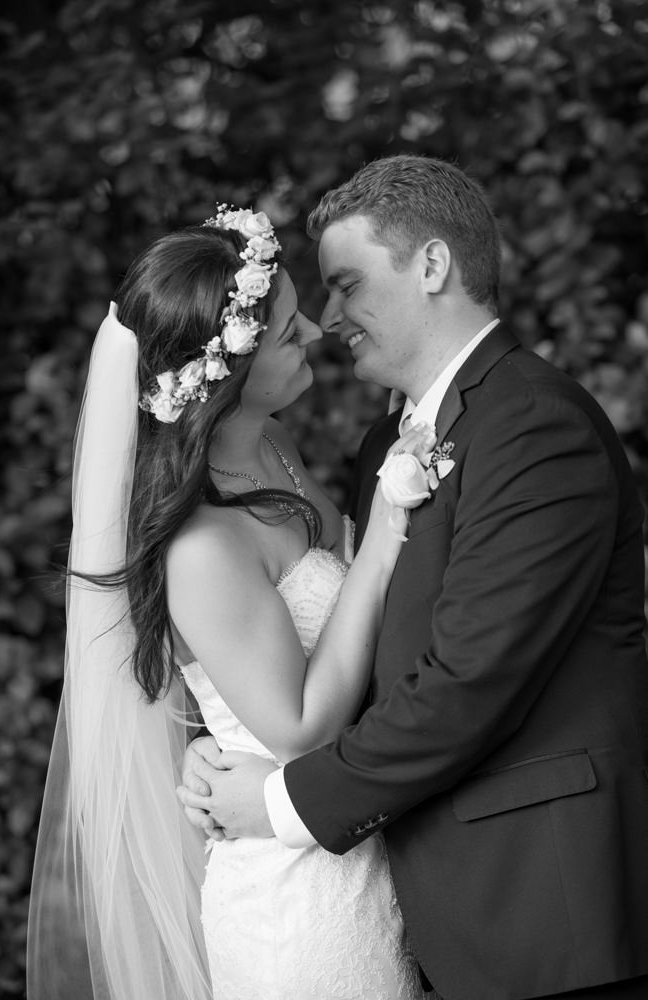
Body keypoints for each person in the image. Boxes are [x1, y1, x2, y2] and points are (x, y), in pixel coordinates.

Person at [179, 155, 648, 1000]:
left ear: (432, 266)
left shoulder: (533, 426)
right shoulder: (380, 448)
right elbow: (356, 654)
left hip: (545, 919)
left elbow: (470, 681)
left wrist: (281, 803)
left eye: (348, 284)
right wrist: (221, 744)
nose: (328, 318)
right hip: (424, 914)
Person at [26, 206, 432, 1000]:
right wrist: (383, 535)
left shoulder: (276, 447)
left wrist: (200, 750)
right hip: (299, 906)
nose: (316, 329)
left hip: (359, 846)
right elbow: (300, 726)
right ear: (229, 376)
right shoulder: (204, 547)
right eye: (286, 331)